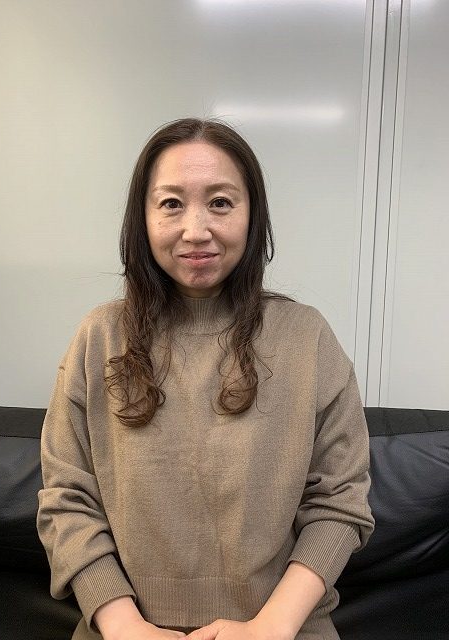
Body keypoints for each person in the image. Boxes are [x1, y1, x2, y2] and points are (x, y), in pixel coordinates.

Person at [37, 117, 374, 640]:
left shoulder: (307, 337)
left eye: (220, 202)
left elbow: (341, 500)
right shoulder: (99, 337)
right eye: (171, 203)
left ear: (252, 215)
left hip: (284, 628)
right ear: (143, 218)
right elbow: (66, 499)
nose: (196, 230)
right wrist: (124, 625)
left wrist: (271, 627)